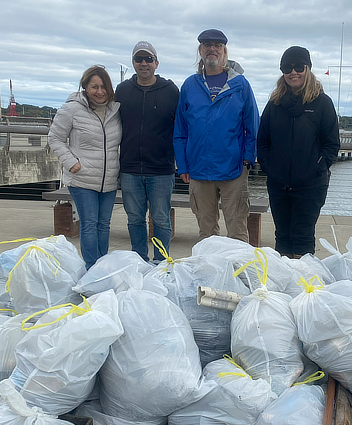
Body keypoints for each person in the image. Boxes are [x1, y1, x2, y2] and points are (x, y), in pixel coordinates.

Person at [173, 29, 259, 243]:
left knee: (237, 233)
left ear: (224, 51)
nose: (212, 49)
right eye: (207, 44)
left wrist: (248, 160)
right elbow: (180, 130)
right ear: (200, 50)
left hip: (233, 171)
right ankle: (211, 275)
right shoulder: (190, 85)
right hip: (199, 172)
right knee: (206, 234)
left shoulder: (241, 85)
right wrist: (182, 166)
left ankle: (240, 275)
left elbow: (253, 126)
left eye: (217, 45)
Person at [257, 46, 340, 258]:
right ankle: (284, 284)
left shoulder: (323, 103)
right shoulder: (274, 105)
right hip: (278, 184)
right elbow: (263, 141)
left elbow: (331, 145)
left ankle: (304, 285)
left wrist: (317, 168)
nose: (293, 72)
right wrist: (270, 167)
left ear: (308, 69)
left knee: (303, 236)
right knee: (282, 237)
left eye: (298, 67)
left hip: (311, 185)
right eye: (287, 67)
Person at [48, 65, 121, 269]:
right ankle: (92, 268)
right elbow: (55, 138)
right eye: (94, 87)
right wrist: (71, 163)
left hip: (108, 180)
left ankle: (102, 266)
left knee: (103, 225)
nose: (99, 91)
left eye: (103, 86)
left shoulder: (114, 110)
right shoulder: (72, 109)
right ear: (85, 88)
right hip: (82, 178)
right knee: (89, 224)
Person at [115, 41, 180, 261]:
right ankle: (139, 260)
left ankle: (162, 262)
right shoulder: (122, 91)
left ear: (156, 63)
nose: (144, 63)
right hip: (130, 168)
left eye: (148, 59)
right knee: (134, 219)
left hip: (161, 170)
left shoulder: (171, 91)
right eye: (138, 59)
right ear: (133, 63)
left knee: (161, 219)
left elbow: (182, 127)